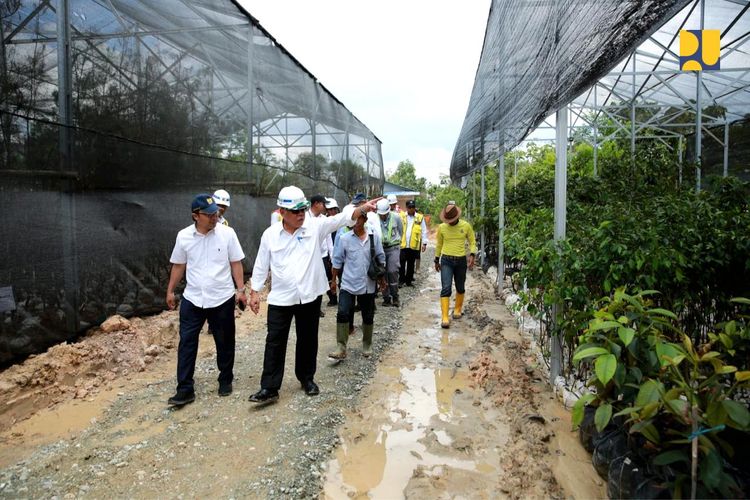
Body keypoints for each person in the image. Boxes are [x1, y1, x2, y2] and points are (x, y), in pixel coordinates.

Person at [247, 186, 379, 404]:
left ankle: (307, 378)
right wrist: (254, 292)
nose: (301, 214)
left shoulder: (314, 227)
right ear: (282, 212)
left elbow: (341, 220)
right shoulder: (270, 235)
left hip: (309, 296)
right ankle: (269, 388)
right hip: (281, 297)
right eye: (295, 211)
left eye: (303, 209)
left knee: (308, 339)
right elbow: (261, 265)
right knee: (274, 342)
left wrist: (361, 208)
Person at [165, 194, 247, 406]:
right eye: (209, 215)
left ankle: (225, 379)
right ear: (195, 216)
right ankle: (184, 389)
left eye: (216, 214)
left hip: (221, 297)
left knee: (225, 339)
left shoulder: (227, 234)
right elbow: (179, 265)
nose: (214, 218)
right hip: (193, 298)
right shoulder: (183, 237)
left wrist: (241, 290)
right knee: (187, 343)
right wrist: (170, 290)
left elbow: (235, 263)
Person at [328, 210, 386, 360]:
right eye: (353, 219)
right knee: (342, 313)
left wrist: (382, 278)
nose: (355, 222)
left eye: (358, 219)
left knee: (368, 315)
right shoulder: (344, 238)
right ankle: (341, 347)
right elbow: (337, 261)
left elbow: (380, 258)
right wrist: (333, 281)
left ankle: (367, 345)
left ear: (365, 219)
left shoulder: (374, 238)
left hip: (368, 284)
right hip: (348, 283)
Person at [434, 201, 476, 329]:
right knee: (446, 288)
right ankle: (445, 317)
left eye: (451, 219)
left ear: (457, 217)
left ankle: (457, 309)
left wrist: (472, 255)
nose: (449, 222)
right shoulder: (442, 228)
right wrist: (436, 259)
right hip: (446, 260)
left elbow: (472, 241)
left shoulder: (466, 226)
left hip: (460, 261)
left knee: (460, 287)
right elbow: (439, 244)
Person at [376, 199, 403, 307]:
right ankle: (386, 297)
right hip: (381, 248)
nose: (383, 216)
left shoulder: (396, 217)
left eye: (385, 214)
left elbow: (401, 231)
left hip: (393, 248)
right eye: (381, 214)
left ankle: (395, 296)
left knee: (392, 271)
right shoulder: (375, 219)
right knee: (383, 273)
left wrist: (396, 242)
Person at [399, 200, 428, 286]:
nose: (411, 209)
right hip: (403, 244)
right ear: (406, 208)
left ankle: (408, 281)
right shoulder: (401, 216)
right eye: (410, 207)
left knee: (411, 264)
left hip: (413, 244)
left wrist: (424, 243)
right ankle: (401, 280)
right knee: (401, 263)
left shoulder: (420, 217)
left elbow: (424, 231)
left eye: (413, 207)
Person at [324, 197, 339, 306]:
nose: (331, 211)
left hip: (340, 251)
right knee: (328, 277)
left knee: (342, 276)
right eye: (329, 209)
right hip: (329, 253)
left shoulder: (341, 220)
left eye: (333, 209)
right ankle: (333, 297)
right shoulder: (324, 222)